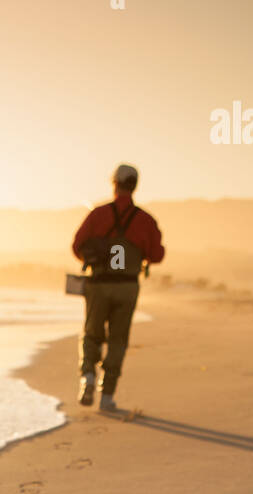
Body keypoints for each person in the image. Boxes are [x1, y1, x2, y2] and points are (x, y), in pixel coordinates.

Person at [71, 164, 165, 413]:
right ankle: (107, 395)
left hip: (99, 284)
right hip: (127, 287)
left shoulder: (98, 214)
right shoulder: (145, 220)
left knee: (91, 333)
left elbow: (77, 246)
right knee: (118, 339)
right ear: (135, 186)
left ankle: (88, 376)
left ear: (114, 184)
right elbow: (157, 255)